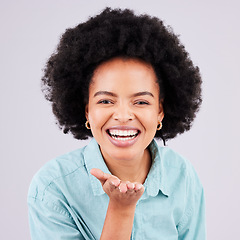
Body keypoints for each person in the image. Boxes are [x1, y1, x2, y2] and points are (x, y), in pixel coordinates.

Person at [28, 7, 206, 240]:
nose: (123, 115)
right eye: (105, 100)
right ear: (87, 111)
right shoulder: (52, 189)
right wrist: (121, 209)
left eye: (141, 101)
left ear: (160, 111)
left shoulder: (182, 176)